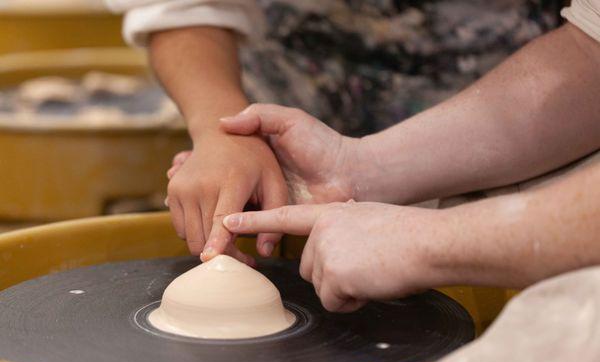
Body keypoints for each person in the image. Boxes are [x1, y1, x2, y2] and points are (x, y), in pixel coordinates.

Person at [106, 0, 556, 265]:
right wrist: (223, 129)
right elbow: (181, 7)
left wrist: (430, 243)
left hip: (527, 133)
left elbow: (588, 50)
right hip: (294, 126)